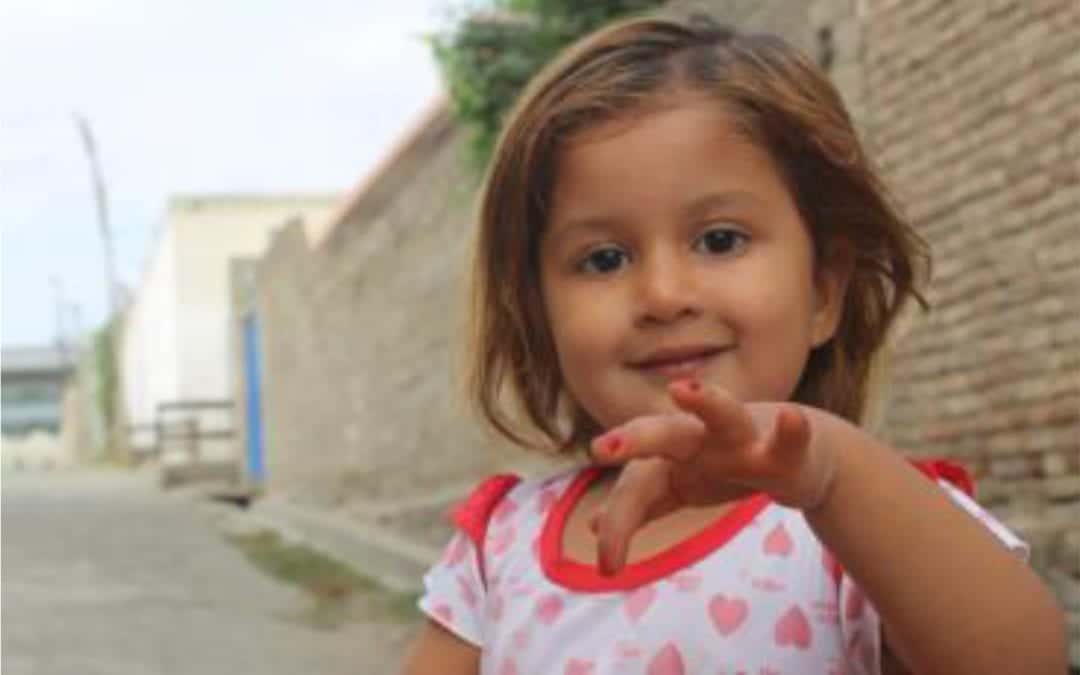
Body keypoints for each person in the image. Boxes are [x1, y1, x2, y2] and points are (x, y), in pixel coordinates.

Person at [400, 13, 1067, 675]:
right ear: (538, 316)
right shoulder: (500, 547)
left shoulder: (866, 527)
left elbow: (1024, 660)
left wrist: (829, 474)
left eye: (721, 239)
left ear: (824, 292)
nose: (663, 295)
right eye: (603, 259)